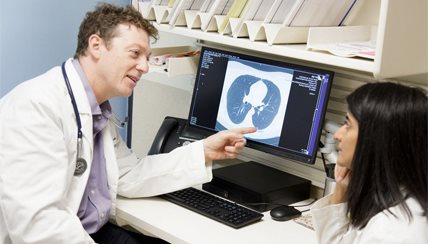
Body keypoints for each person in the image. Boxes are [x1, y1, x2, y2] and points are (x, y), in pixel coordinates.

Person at [0, 3, 256, 244]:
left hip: (89, 230)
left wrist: (203, 151)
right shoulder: (35, 108)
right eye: (135, 54)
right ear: (96, 45)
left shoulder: (97, 109)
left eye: (147, 57)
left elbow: (128, 174)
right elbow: (37, 225)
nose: (144, 67)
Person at [311, 82, 427, 243]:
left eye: (348, 125)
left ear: (376, 139)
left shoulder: (389, 232)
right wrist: (340, 190)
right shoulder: (399, 199)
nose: (337, 134)